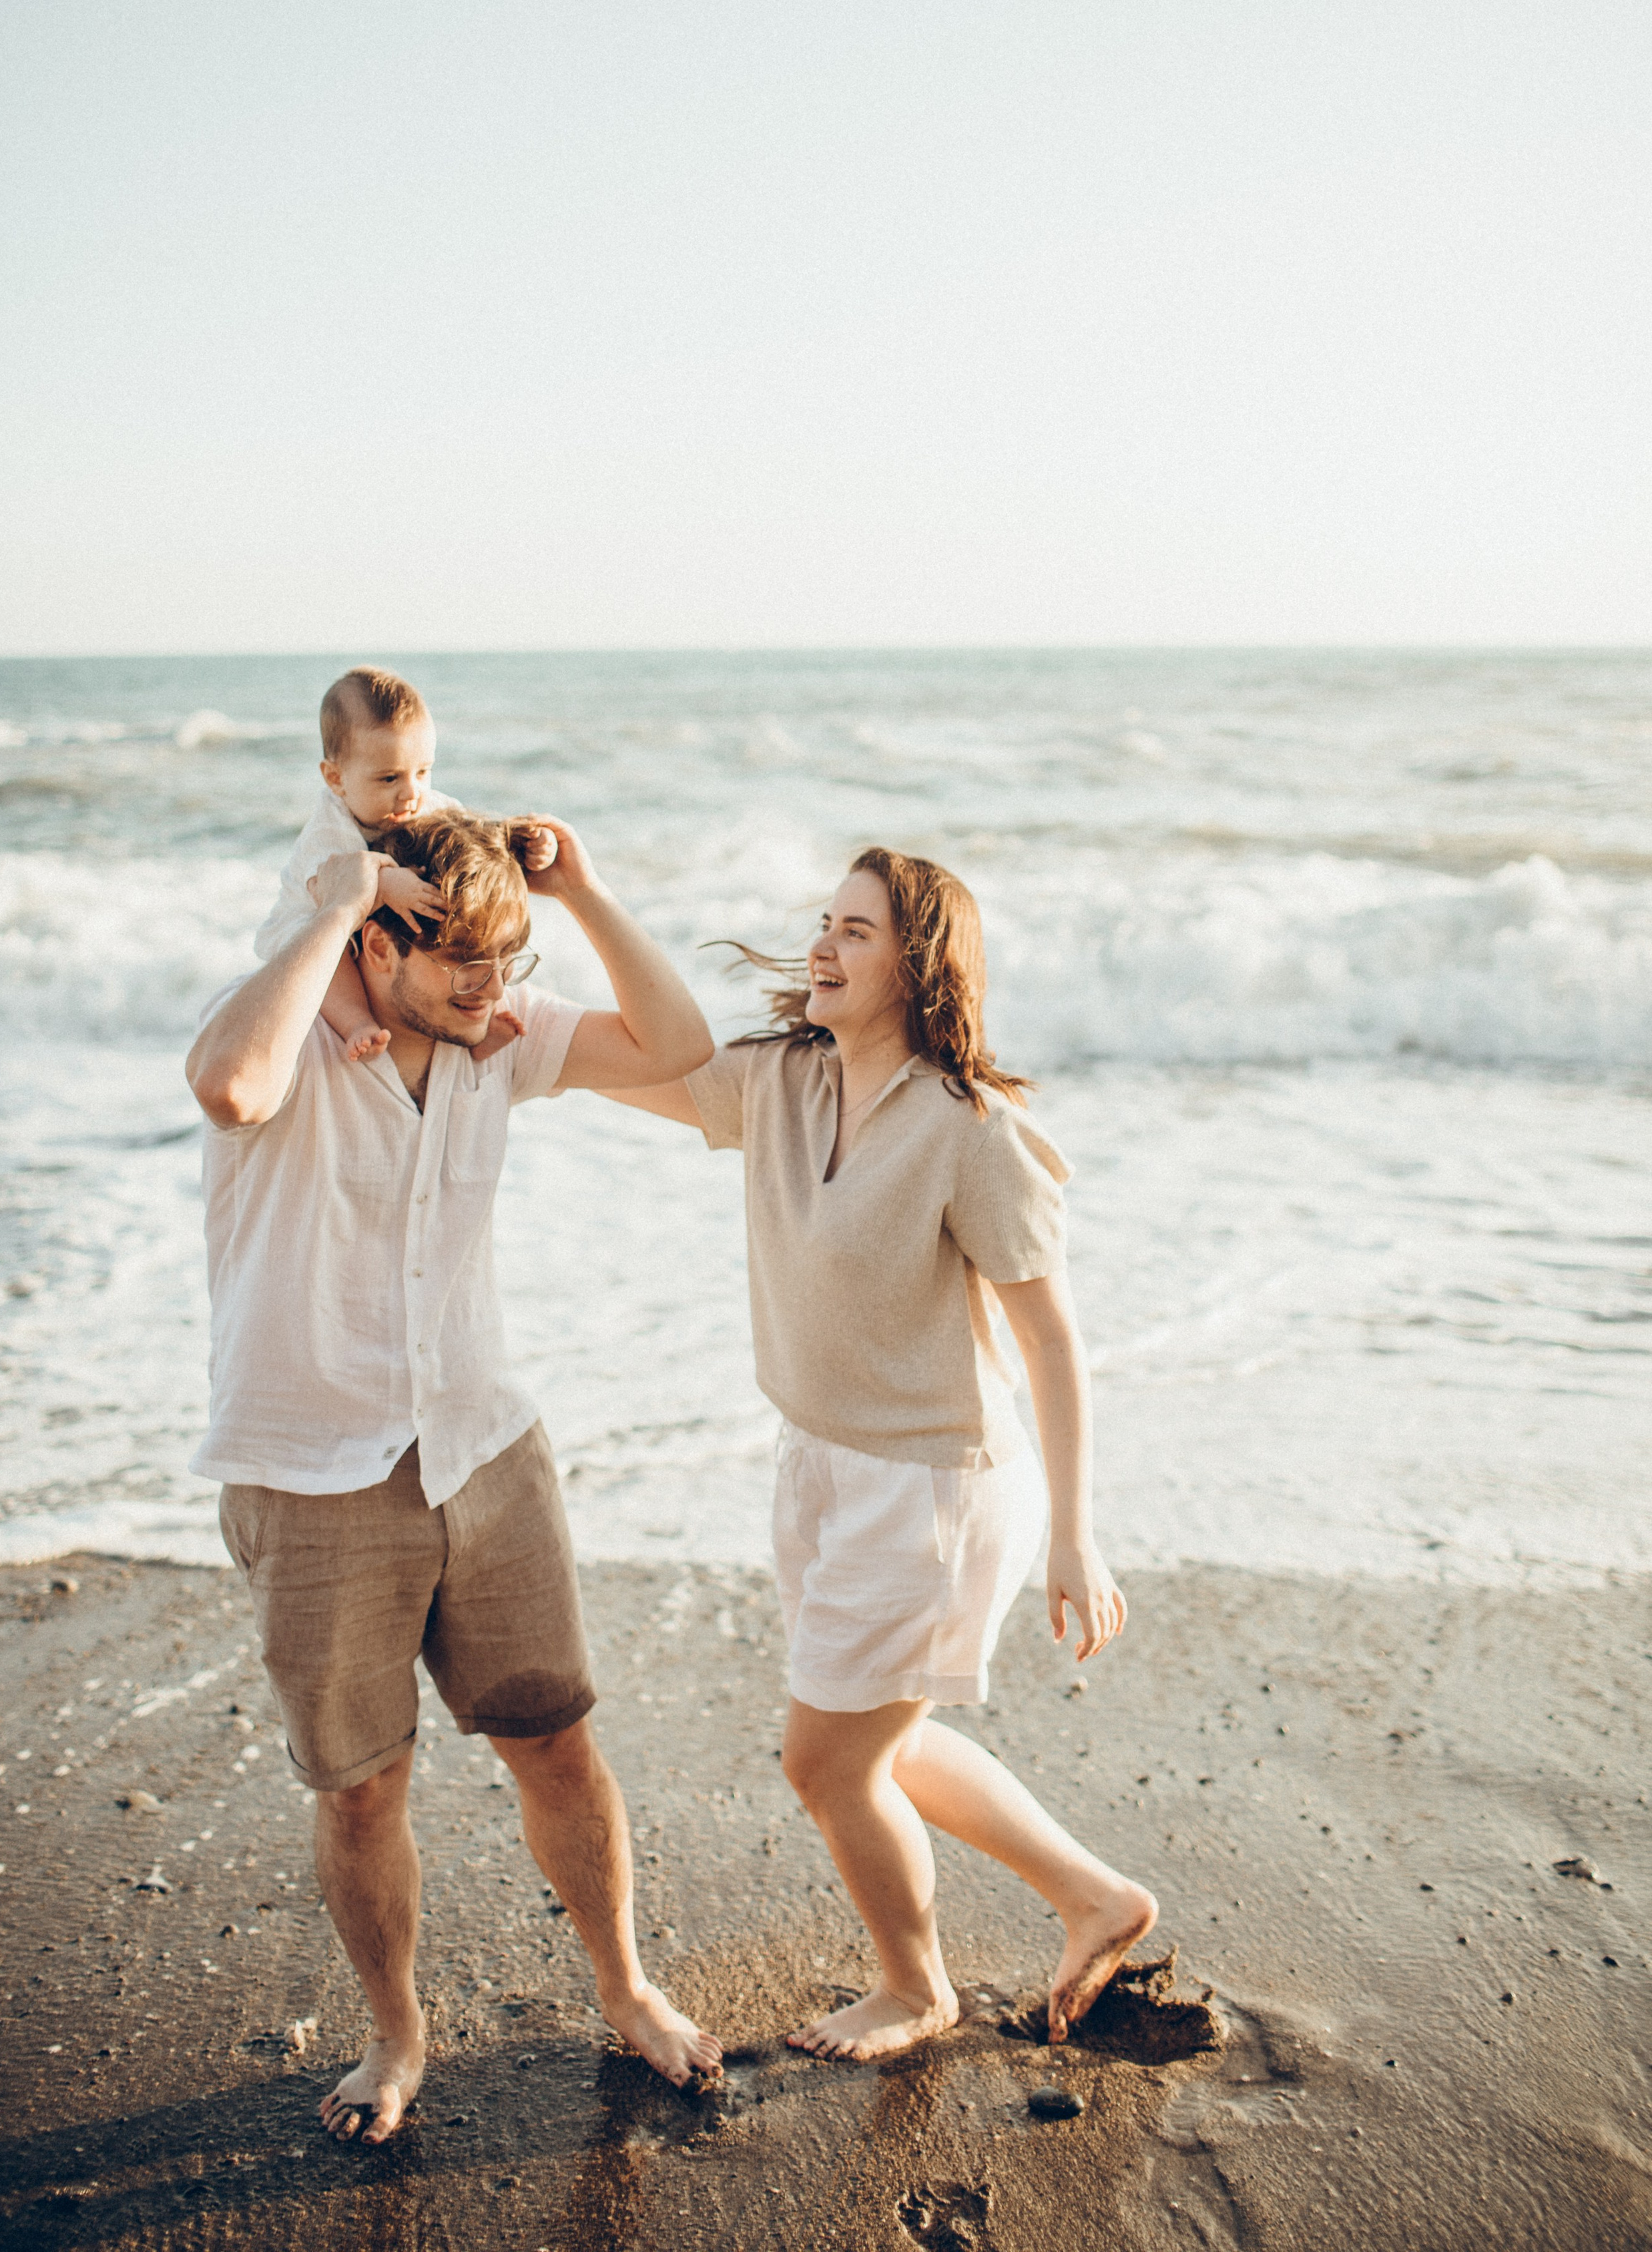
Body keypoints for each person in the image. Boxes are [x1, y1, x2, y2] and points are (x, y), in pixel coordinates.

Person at [186, 809, 722, 2143]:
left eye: (510, 957)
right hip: (313, 1471)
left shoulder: (499, 1037)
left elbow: (680, 1046)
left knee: (555, 1739)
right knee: (362, 1784)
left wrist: (585, 890)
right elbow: (226, 1090)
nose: (496, 990)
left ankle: (626, 1988)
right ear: (376, 941)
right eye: (461, 963)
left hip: (484, 1446)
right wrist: (327, 912)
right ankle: (397, 2035)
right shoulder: (300, 1033)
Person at [602, 847, 1157, 2062]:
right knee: (878, 1742)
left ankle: (917, 1990)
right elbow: (626, 1062)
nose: (823, 946)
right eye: (824, 922)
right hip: (819, 1464)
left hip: (937, 1488)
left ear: (916, 967)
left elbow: (1051, 1343)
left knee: (828, 1763)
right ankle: (1095, 1899)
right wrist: (541, 945)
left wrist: (1076, 1534)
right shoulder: (782, 1084)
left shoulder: (974, 1133)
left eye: (856, 932)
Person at [254, 663, 557, 1066]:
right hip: (312, 923)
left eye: (423, 772)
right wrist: (385, 884)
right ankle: (355, 1023)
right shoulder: (329, 829)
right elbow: (329, 888)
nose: (411, 794)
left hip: (371, 933)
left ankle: (472, 1041)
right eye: (389, 779)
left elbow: (474, 837)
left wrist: (526, 841)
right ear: (336, 779)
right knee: (331, 955)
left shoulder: (424, 802)